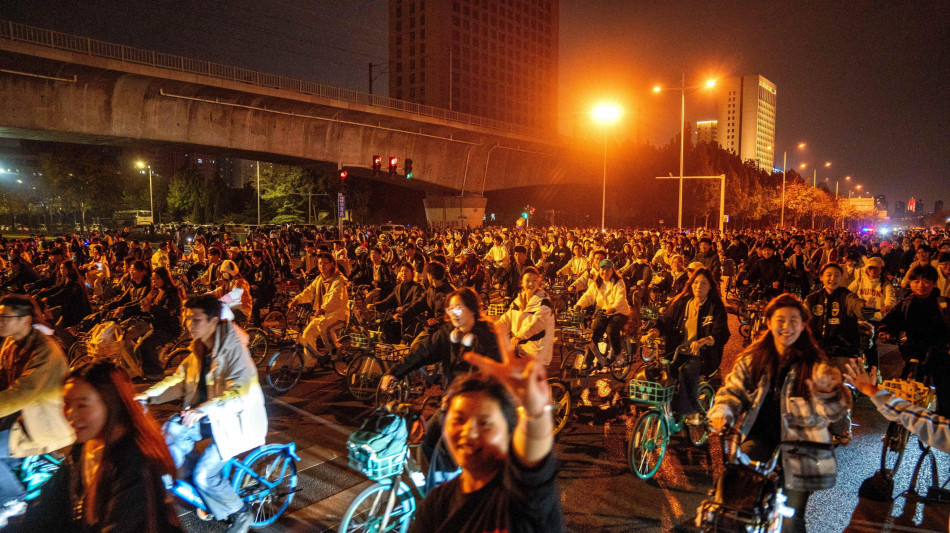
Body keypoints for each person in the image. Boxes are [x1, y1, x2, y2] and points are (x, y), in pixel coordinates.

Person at [708, 293, 850, 533]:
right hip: (759, 437)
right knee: (735, 506)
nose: (787, 327)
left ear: (804, 325)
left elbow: (834, 408)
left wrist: (838, 414)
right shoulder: (753, 357)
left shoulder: (816, 363)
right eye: (780, 320)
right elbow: (733, 389)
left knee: (791, 519)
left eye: (794, 320)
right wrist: (723, 410)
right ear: (769, 322)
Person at [135, 294, 266, 533]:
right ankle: (198, 491)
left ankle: (240, 513)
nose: (189, 324)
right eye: (187, 318)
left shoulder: (236, 351)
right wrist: (147, 397)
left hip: (235, 423)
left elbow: (240, 393)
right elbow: (178, 381)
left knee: (205, 475)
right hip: (208, 417)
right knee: (171, 435)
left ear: (214, 321)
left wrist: (203, 409)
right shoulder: (199, 349)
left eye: (196, 319)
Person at [408, 341, 565, 532]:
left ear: (509, 431)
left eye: (485, 423)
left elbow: (534, 464)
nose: (468, 432)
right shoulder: (436, 503)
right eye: (459, 419)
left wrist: (534, 411)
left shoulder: (520, 496)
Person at [12, 361, 183, 532]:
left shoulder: (136, 462)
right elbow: (50, 508)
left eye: (82, 405)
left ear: (111, 403)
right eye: (66, 403)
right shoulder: (84, 448)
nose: (70, 415)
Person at [0, 295, 75, 509]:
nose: (0, 322)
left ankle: (12, 502)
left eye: (5, 318)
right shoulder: (11, 343)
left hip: (48, 426)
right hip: (25, 420)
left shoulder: (45, 351)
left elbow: (22, 392)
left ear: (25, 320)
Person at [644, 267, 729, 424]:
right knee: (652, 370)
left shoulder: (715, 307)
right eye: (695, 283)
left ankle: (688, 411)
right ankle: (668, 406)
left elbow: (721, 332)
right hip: (677, 352)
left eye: (703, 283)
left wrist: (706, 340)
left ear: (711, 286)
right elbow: (665, 321)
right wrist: (654, 331)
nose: (698, 286)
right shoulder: (681, 303)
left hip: (703, 356)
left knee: (687, 370)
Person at [877, 264, 950, 416]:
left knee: (944, 391)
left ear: (934, 283)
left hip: (938, 353)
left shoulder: (943, 303)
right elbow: (892, 320)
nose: (920, 285)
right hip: (912, 353)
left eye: (925, 281)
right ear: (910, 283)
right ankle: (896, 432)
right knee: (902, 391)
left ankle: (943, 428)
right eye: (916, 281)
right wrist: (885, 331)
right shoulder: (906, 303)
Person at [291, 252, 349, 368]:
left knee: (324, 326)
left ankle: (336, 352)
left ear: (332, 264)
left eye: (325, 263)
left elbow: (336, 298)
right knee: (307, 332)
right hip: (323, 314)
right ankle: (310, 362)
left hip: (338, 314)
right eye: (320, 263)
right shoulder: (319, 279)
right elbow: (308, 292)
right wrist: (296, 300)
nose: (322, 266)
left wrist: (323, 308)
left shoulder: (339, 280)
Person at [496, 267, 555, 366]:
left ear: (539, 282)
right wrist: (492, 329)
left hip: (537, 352)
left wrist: (520, 337)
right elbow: (506, 319)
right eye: (527, 280)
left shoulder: (544, 302)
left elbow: (537, 323)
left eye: (534, 280)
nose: (531, 284)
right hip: (521, 349)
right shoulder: (518, 301)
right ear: (521, 283)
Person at [574, 259, 630, 361]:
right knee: (593, 332)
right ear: (599, 270)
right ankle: (588, 361)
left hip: (619, 312)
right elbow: (588, 296)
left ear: (612, 271)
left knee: (611, 330)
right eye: (602, 270)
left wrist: (613, 307)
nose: (605, 272)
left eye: (608, 270)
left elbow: (620, 298)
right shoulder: (596, 283)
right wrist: (579, 305)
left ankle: (618, 353)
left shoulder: (619, 282)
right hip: (603, 312)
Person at [134, 267, 184, 382]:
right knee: (138, 348)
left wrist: (151, 308)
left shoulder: (171, 292)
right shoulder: (156, 291)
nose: (154, 281)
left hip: (169, 328)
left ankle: (155, 374)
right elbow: (144, 302)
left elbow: (167, 311)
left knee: (144, 345)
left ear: (164, 278)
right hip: (157, 326)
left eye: (157, 278)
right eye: (153, 278)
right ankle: (146, 371)